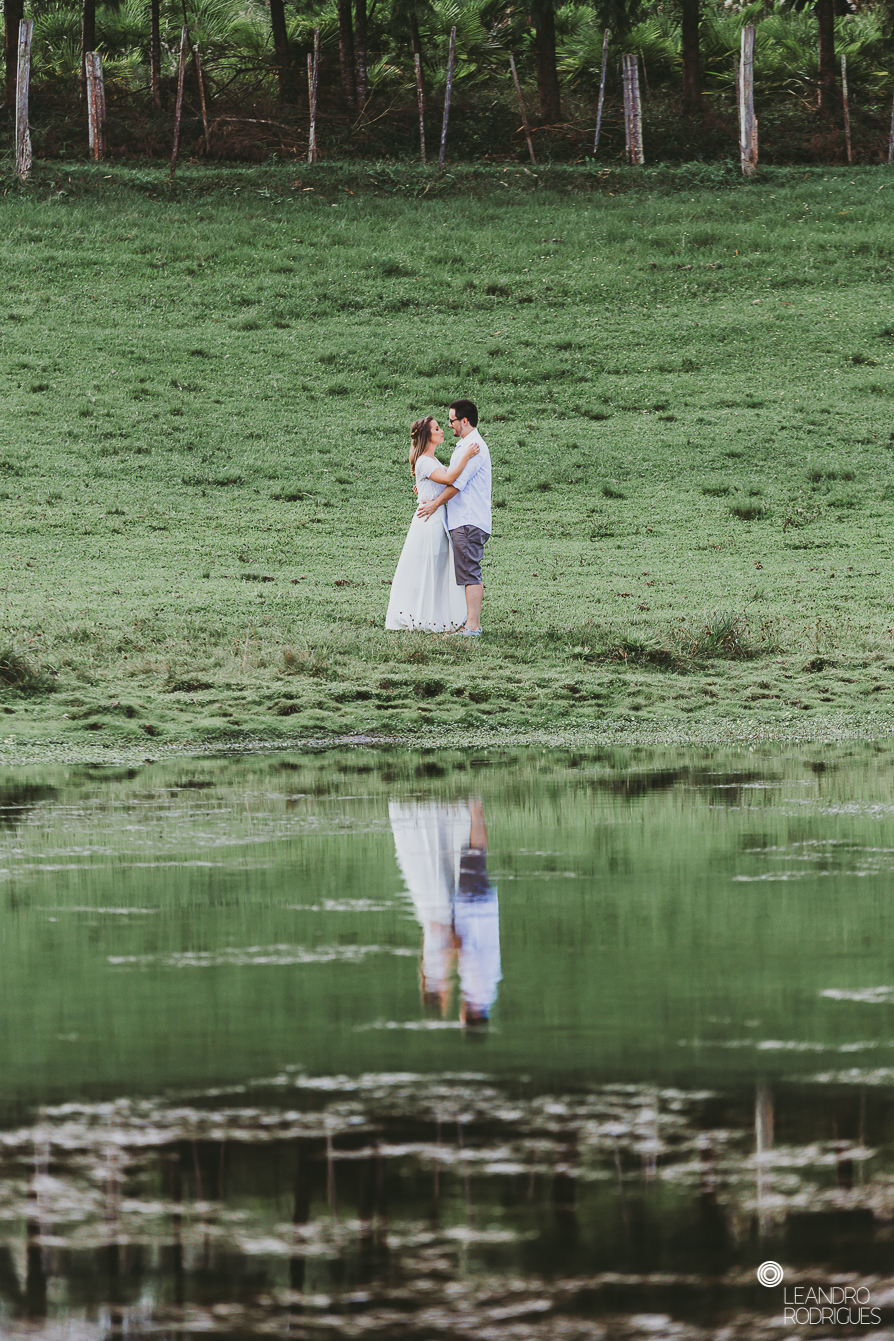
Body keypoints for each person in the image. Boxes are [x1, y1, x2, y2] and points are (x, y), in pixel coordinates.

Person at [385, 416, 480, 632]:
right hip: (429, 522)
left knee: (436, 570)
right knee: (426, 570)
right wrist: (466, 456)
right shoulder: (425, 462)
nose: (442, 430)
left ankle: (433, 615)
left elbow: (440, 479)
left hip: (437, 520)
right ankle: (420, 616)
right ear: (428, 436)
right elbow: (449, 480)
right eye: (437, 428)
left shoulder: (432, 461)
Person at [415, 400, 491, 637]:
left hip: (468, 520)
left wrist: (435, 504)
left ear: (464, 421)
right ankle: (469, 623)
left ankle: (473, 626)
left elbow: (456, 484)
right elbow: (446, 477)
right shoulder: (464, 446)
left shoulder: (474, 447)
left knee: (469, 572)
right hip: (461, 520)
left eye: (451, 421)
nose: (449, 425)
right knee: (466, 571)